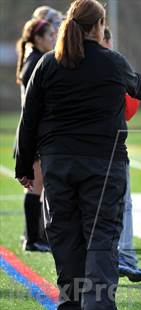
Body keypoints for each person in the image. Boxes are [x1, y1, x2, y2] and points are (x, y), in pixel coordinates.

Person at [15, 1, 141, 309]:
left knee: (66, 237)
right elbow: (140, 86)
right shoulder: (111, 61)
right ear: (98, 26)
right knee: (102, 236)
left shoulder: (48, 64)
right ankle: (98, 305)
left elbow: (29, 119)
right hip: (104, 163)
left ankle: (72, 303)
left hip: (59, 163)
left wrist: (24, 164)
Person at [102, 27, 141, 282]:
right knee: (122, 205)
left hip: (74, 152)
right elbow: (130, 109)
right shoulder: (114, 64)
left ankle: (104, 261)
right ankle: (125, 258)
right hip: (109, 150)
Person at [15, 18, 55, 252]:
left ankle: (36, 236)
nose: (53, 39)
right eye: (49, 35)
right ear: (38, 39)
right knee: (35, 188)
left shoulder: (35, 59)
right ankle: (33, 238)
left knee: (38, 189)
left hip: (35, 132)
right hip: (36, 134)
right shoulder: (36, 62)